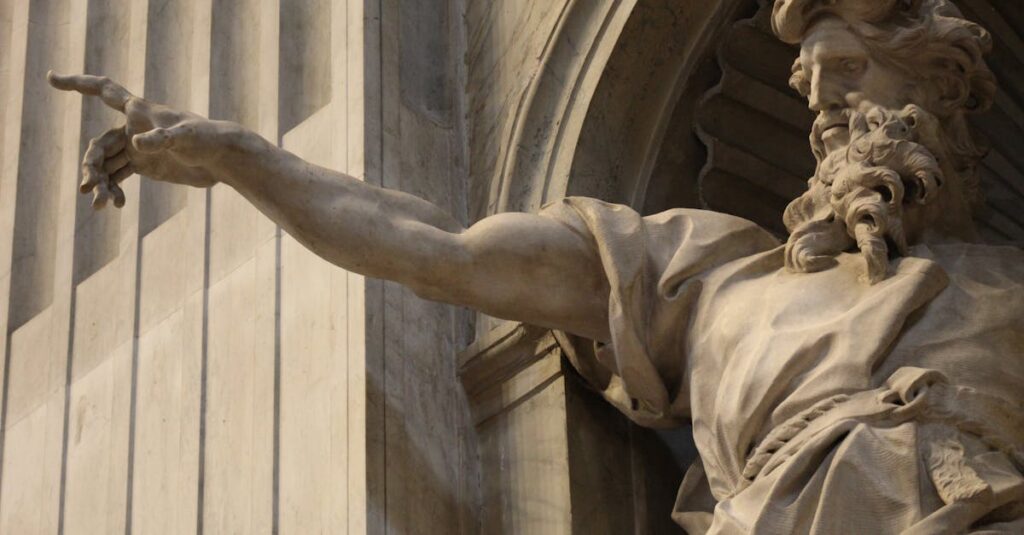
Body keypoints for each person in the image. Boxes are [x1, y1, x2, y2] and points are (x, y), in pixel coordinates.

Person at [50, 0, 1023, 532]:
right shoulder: (712, 271)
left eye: (846, 71)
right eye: (809, 81)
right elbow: (435, 251)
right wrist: (240, 157)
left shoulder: (1010, 291)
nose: (819, 104)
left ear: (937, 81)